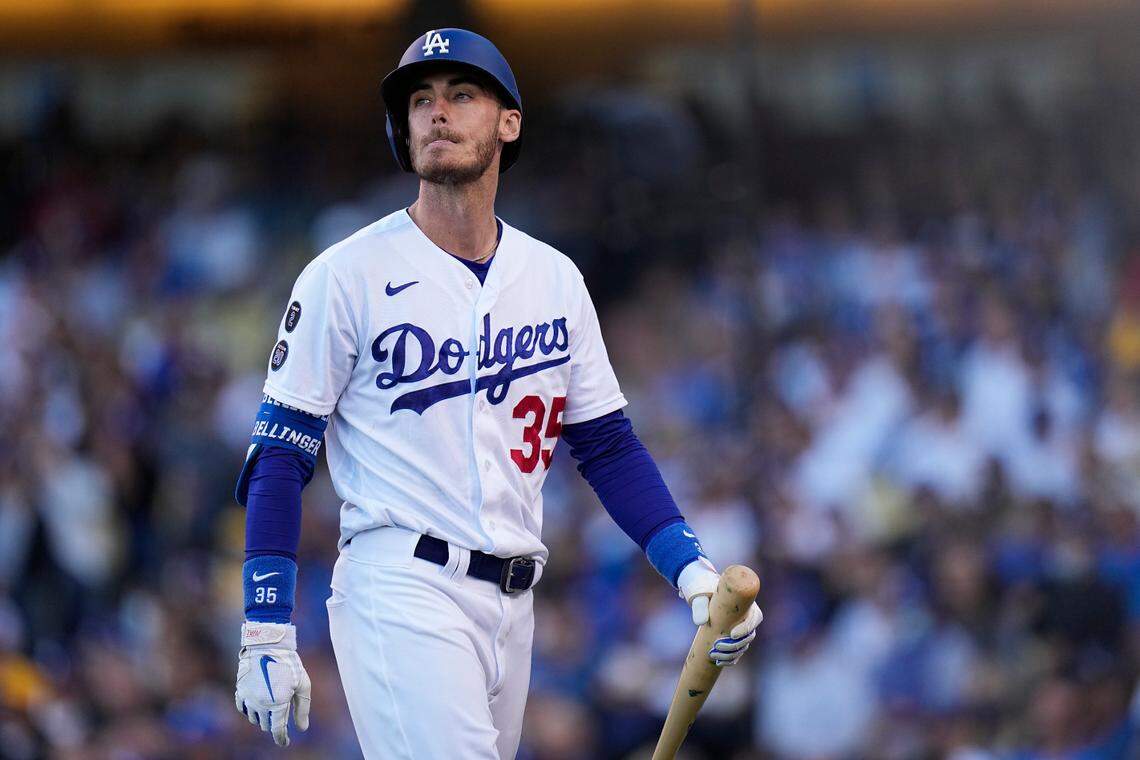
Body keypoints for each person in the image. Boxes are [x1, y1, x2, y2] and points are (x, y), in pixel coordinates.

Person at [231, 28, 763, 758]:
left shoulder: (553, 278)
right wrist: (265, 624)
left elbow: (607, 445)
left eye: (461, 94)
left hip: (514, 600)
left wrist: (691, 568)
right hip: (402, 584)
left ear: (509, 122)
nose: (436, 112)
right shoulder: (345, 274)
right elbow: (280, 456)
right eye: (420, 100)